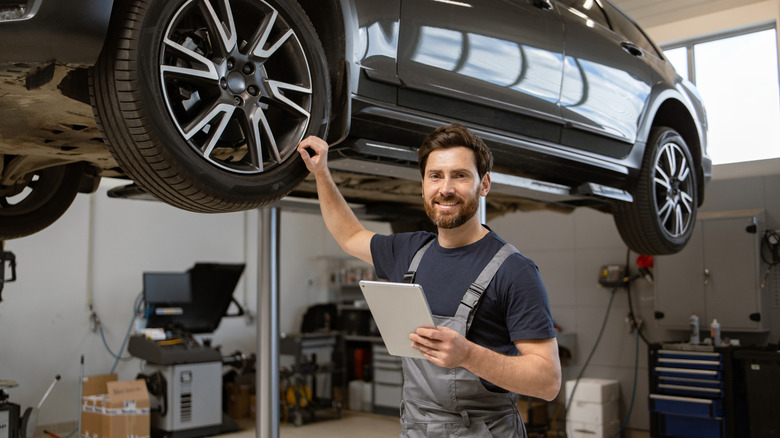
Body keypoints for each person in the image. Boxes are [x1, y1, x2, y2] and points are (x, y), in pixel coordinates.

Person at [297, 124, 561, 437]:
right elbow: (350, 235)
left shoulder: (514, 271)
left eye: (460, 175)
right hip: (416, 429)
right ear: (423, 186)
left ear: (484, 184)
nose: (445, 188)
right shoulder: (407, 251)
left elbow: (547, 382)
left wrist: (468, 355)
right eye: (435, 176)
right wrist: (321, 172)